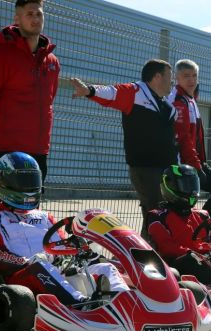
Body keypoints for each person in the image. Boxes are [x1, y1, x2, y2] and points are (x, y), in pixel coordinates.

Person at [0, 152, 129, 306]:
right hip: (22, 278)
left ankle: (124, 304)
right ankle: (81, 304)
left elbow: (61, 245)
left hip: (57, 272)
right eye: (22, 181)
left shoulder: (45, 217)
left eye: (31, 180)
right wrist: (28, 262)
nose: (28, 186)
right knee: (41, 266)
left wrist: (79, 249)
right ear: (3, 182)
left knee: (106, 267)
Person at [70, 59, 177, 239]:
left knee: (161, 215)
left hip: (167, 169)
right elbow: (112, 93)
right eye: (170, 77)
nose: (172, 82)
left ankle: (151, 253)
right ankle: (148, 257)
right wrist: (90, 91)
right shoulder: (136, 92)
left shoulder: (166, 105)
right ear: (157, 77)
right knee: (155, 214)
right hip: (145, 168)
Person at [0, 0, 60, 207]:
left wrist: (43, 146)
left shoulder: (52, 62)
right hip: (7, 151)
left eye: (39, 14)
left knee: (32, 219)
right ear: (17, 19)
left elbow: (48, 102)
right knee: (6, 219)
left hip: (38, 152)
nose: (35, 18)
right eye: (29, 14)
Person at [168, 59, 211, 216]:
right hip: (183, 165)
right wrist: (196, 167)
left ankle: (199, 226)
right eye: (186, 76)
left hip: (195, 162)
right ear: (176, 77)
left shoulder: (190, 99)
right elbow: (183, 139)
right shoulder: (177, 100)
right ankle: (197, 227)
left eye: (194, 75)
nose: (191, 80)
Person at [146, 164, 211, 284]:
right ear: (170, 186)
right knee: (191, 260)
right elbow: (167, 248)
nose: (192, 190)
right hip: (175, 266)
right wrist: (199, 252)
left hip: (206, 258)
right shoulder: (157, 216)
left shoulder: (202, 215)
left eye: (193, 185)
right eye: (186, 185)